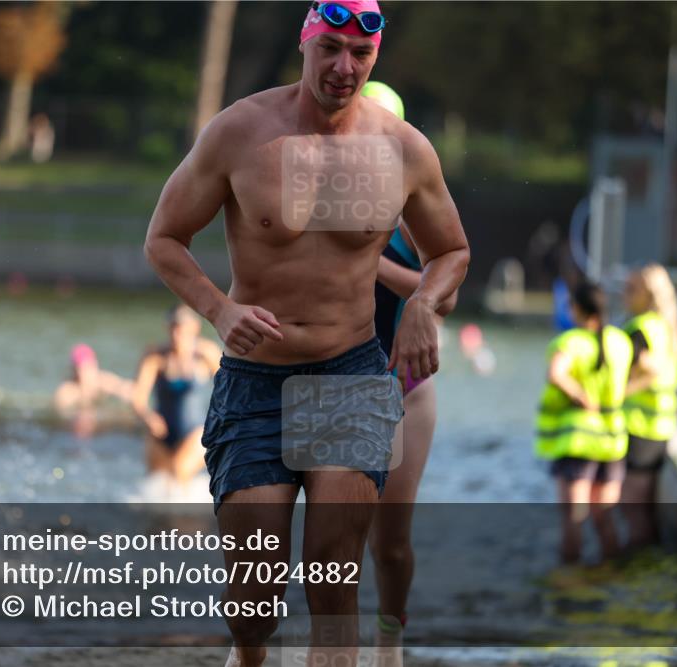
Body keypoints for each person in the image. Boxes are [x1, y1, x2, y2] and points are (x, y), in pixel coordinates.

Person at [143, 1, 469, 663]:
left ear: (376, 56)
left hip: (349, 376)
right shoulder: (241, 132)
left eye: (361, 54)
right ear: (306, 40)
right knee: (253, 604)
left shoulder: (402, 149)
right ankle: (250, 650)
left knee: (332, 576)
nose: (344, 67)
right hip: (256, 381)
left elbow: (452, 251)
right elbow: (164, 239)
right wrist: (219, 309)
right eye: (332, 49)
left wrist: (424, 307)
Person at [360, 81, 458, 664]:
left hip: (405, 387)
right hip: (339, 384)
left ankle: (390, 636)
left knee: (389, 544)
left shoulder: (414, 214)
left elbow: (445, 296)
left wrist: (372, 263)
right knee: (336, 536)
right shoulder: (323, 197)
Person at [535, 282, 632, 564]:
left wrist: (580, 395)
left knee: (574, 520)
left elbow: (556, 374)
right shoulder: (620, 341)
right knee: (604, 517)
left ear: (576, 309)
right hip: (612, 440)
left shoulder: (571, 341)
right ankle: (611, 575)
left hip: (577, 441)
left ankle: (570, 584)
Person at [620, 264, 677, 547]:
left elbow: (652, 369)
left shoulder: (641, 328)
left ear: (647, 294)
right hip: (660, 426)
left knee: (632, 506)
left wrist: (618, 394)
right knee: (644, 507)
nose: (625, 295)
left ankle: (636, 565)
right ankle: (647, 566)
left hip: (640, 429)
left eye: (631, 289)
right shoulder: (665, 326)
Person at [132, 305, 221, 486]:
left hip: (194, 430)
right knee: (156, 483)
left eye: (182, 330)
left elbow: (229, 388)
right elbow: (138, 399)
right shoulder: (156, 357)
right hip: (160, 430)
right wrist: (149, 418)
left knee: (179, 471)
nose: (177, 335)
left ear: (194, 329)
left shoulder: (206, 354)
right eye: (173, 329)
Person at [54, 343, 134, 439]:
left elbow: (128, 389)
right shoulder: (68, 390)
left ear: (96, 364)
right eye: (83, 369)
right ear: (75, 371)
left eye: (90, 367)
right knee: (84, 420)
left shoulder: (103, 380)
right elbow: (60, 412)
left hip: (101, 419)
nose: (88, 372)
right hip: (77, 421)